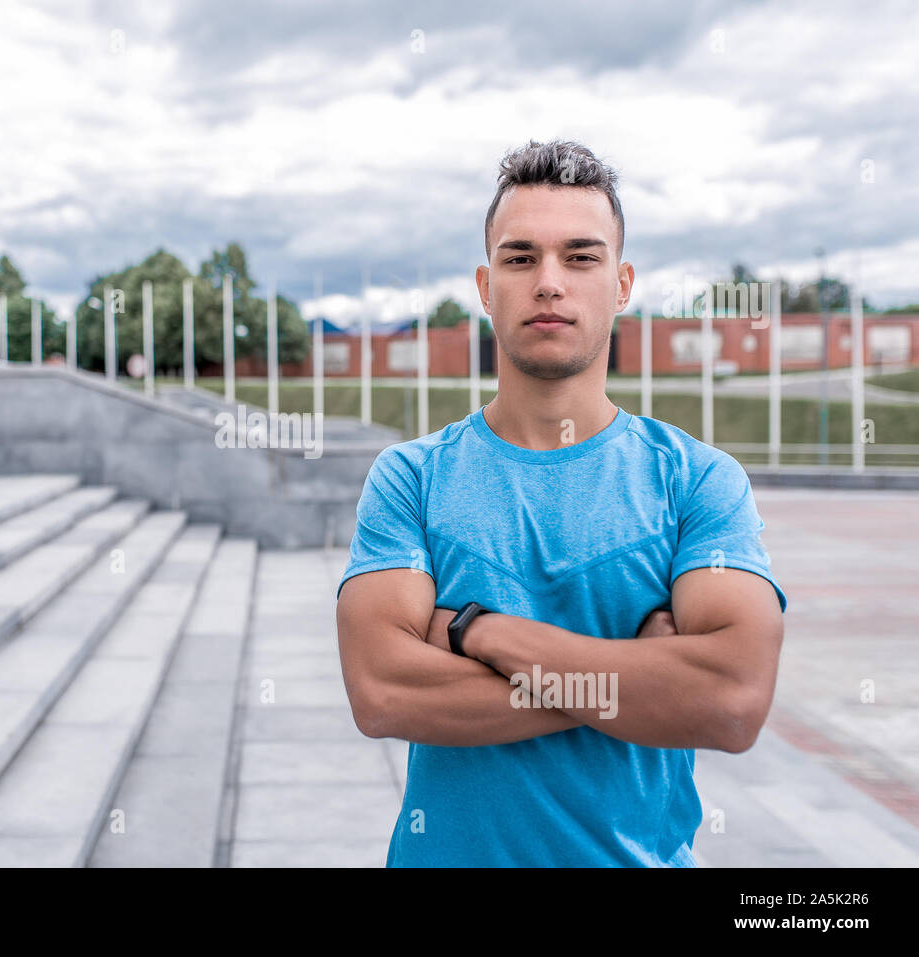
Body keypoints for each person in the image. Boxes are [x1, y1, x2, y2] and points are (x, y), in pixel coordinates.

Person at [335, 138, 787, 867]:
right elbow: (383, 692)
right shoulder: (410, 477)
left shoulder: (698, 479)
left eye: (581, 257)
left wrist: (480, 633)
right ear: (486, 286)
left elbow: (730, 700)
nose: (550, 282)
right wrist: (641, 681)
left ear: (622, 282)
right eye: (521, 258)